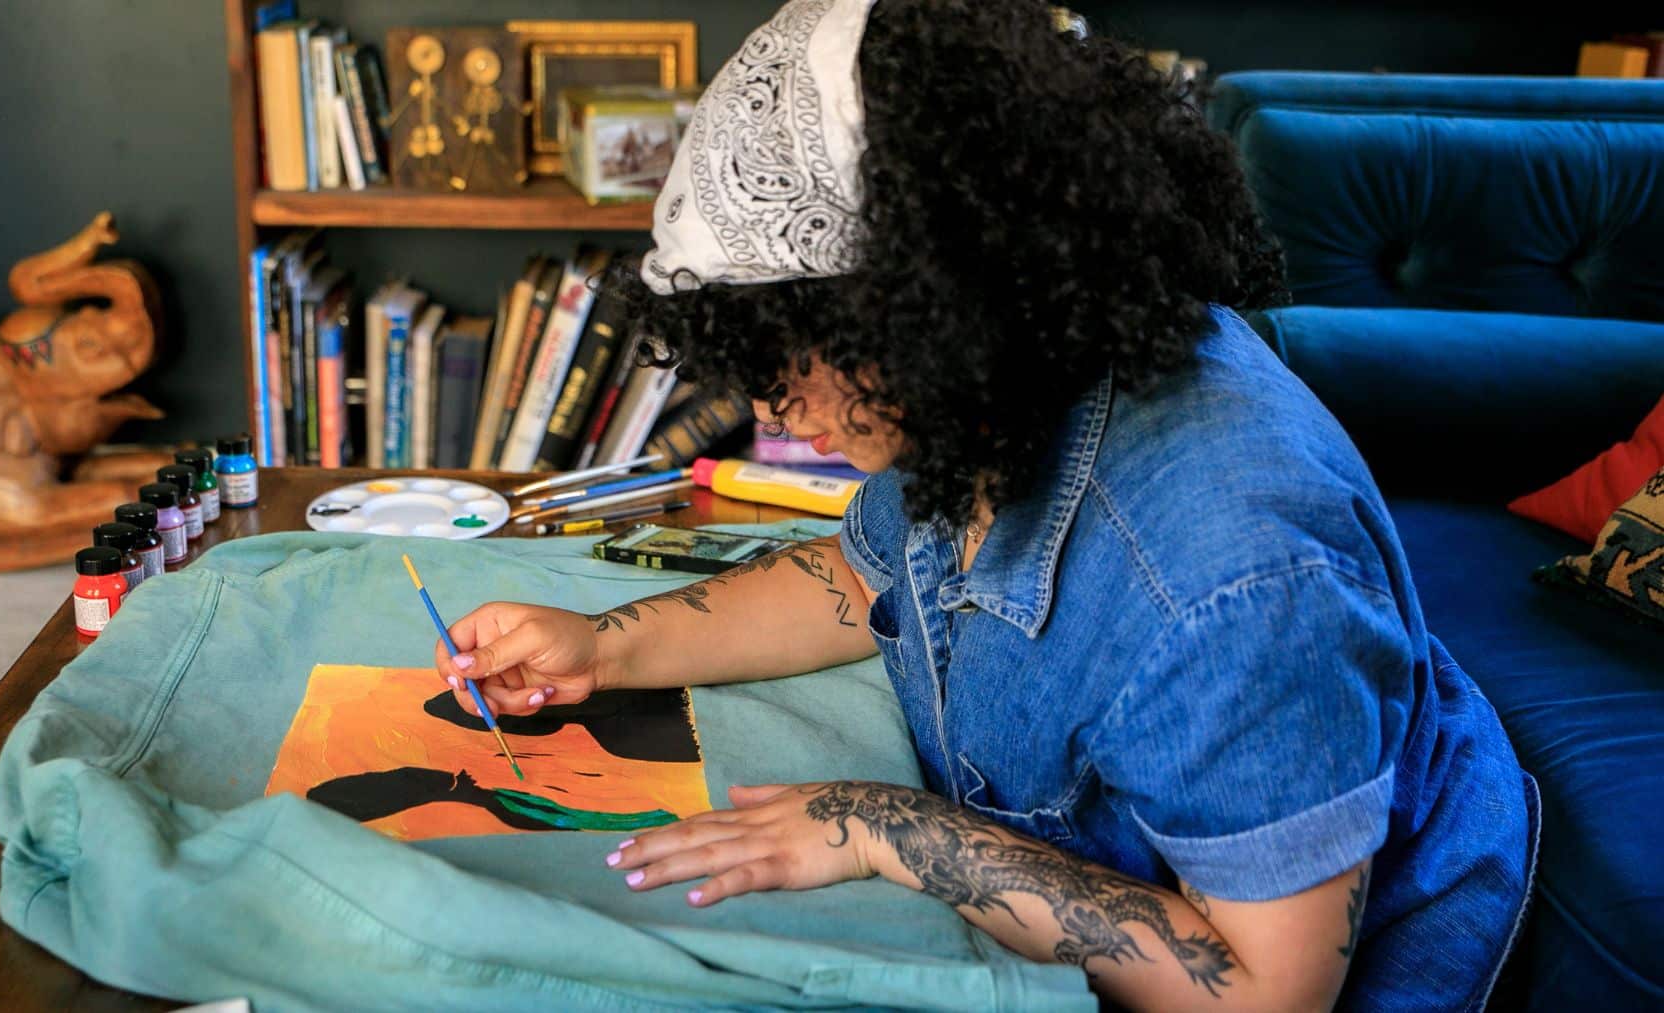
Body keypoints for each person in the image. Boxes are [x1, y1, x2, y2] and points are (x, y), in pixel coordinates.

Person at [434, 1, 1538, 1009]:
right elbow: (862, 573)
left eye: (803, 351)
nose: (775, 399)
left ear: (941, 302)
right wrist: (605, 647)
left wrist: (888, 828)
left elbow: (1262, 991)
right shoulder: (994, 384)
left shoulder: (1231, 584)